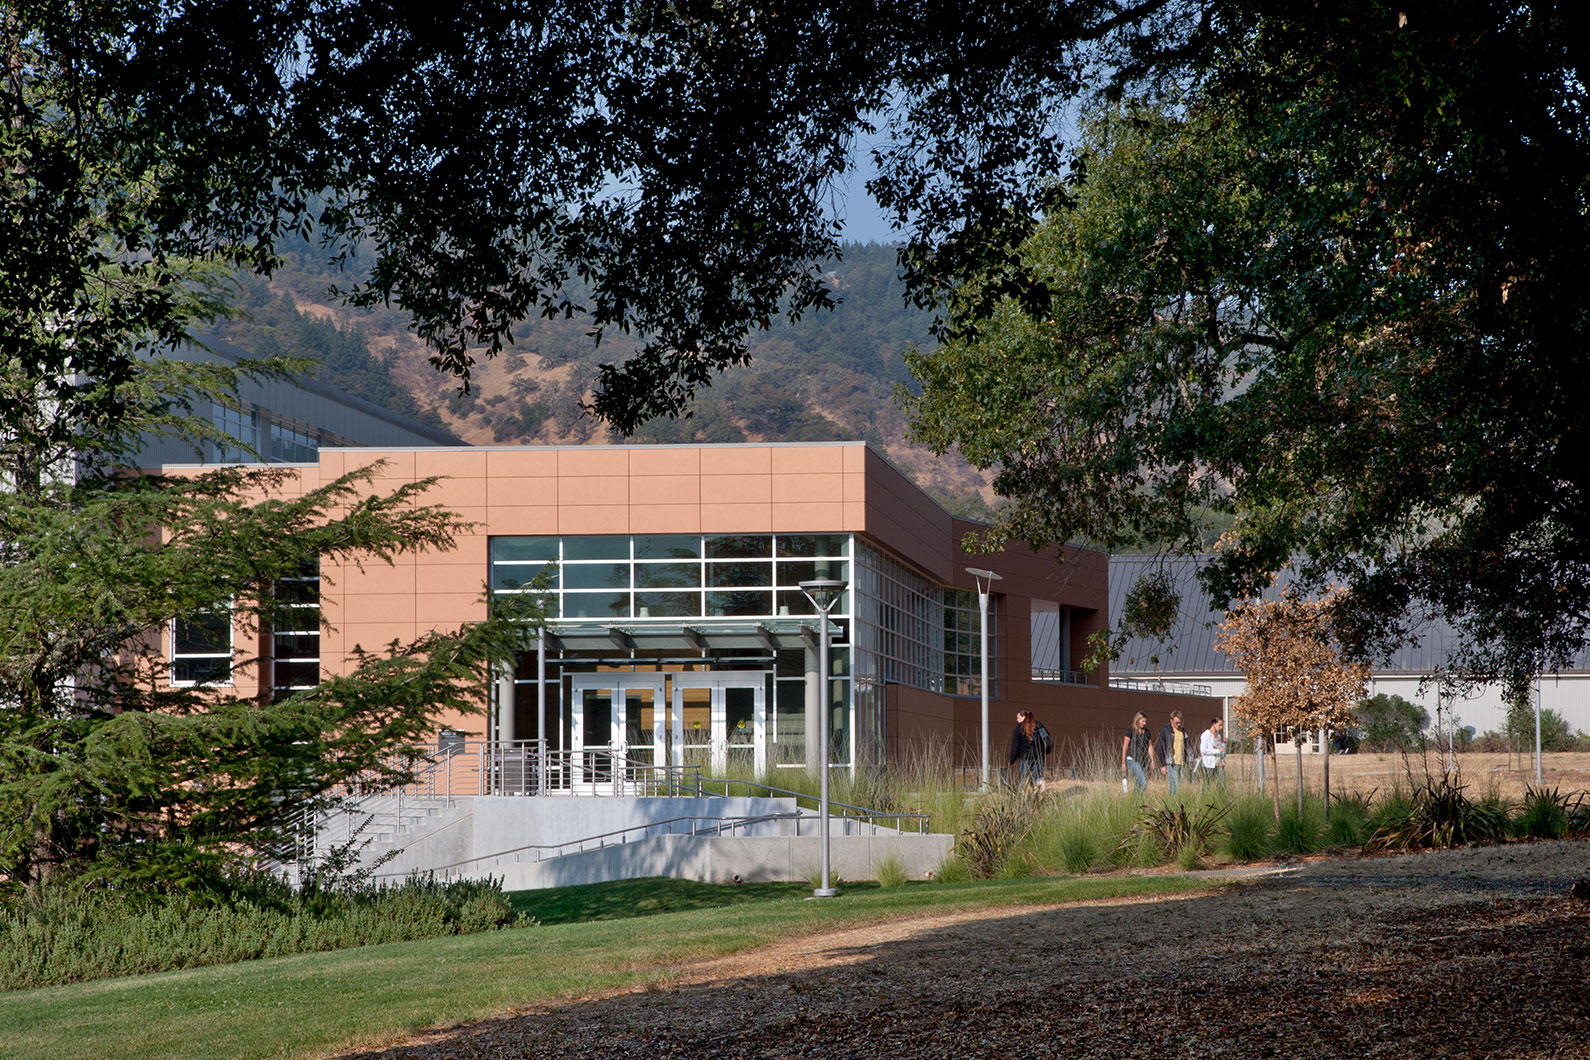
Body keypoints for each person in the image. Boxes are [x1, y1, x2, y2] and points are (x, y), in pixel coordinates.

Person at [1156, 709, 1195, 795]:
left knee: (1179, 787)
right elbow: (1161, 748)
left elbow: (1188, 745)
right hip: (1171, 763)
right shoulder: (1166, 731)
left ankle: (1176, 804)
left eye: (1179, 722)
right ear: (1171, 720)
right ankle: (1171, 804)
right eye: (1176, 722)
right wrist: (1162, 765)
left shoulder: (1183, 731)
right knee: (1174, 786)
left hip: (1181, 763)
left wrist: (1193, 757)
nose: (1178, 724)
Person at [1008, 710, 1052, 787]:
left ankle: (1026, 797)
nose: (1017, 720)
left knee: (1025, 779)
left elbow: (1015, 745)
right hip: (1039, 756)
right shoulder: (1038, 725)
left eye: (1018, 718)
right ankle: (1040, 795)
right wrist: (1045, 752)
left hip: (1025, 758)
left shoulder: (1019, 728)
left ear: (1023, 717)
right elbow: (1047, 738)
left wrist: (1012, 759)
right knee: (1038, 778)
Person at [1120, 711, 1156, 792]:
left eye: (1145, 721)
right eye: (1142, 721)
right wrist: (1123, 762)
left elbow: (1149, 746)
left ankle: (1137, 802)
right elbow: (1125, 746)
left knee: (1138, 783)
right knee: (1143, 783)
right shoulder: (1130, 730)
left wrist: (1152, 760)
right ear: (1137, 720)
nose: (1144, 723)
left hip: (1142, 761)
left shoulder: (1147, 732)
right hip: (1132, 759)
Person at [1199, 716, 1228, 786]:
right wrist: (1217, 751)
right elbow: (1203, 750)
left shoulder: (1218, 735)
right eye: (1219, 725)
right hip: (1210, 764)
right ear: (1214, 724)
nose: (1221, 728)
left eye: (1222, 725)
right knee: (1207, 785)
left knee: (1222, 784)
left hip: (1219, 763)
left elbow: (1220, 748)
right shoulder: (1206, 735)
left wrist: (1224, 744)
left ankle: (1222, 796)